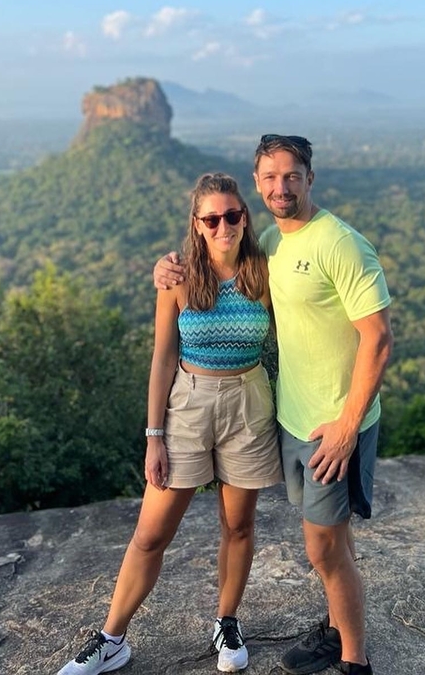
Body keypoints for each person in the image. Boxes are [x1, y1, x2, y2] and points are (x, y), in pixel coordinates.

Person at [154, 135, 393, 675]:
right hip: (290, 417)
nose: (280, 187)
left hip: (333, 425)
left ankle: (354, 661)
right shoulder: (268, 243)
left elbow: (378, 339)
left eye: (291, 176)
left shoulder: (341, 243)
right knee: (333, 543)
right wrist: (165, 269)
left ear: (310, 178)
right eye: (269, 178)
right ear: (257, 184)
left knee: (323, 550)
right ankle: (336, 631)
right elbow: (212, 262)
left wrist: (348, 425)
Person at [57, 172, 282, 675]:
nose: (224, 225)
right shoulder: (178, 277)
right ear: (197, 224)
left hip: (249, 401)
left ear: (246, 216)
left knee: (238, 525)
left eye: (233, 215)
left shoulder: (264, 271)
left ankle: (226, 621)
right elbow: (162, 358)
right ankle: (112, 637)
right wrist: (153, 436)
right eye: (212, 218)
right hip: (188, 404)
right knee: (151, 534)